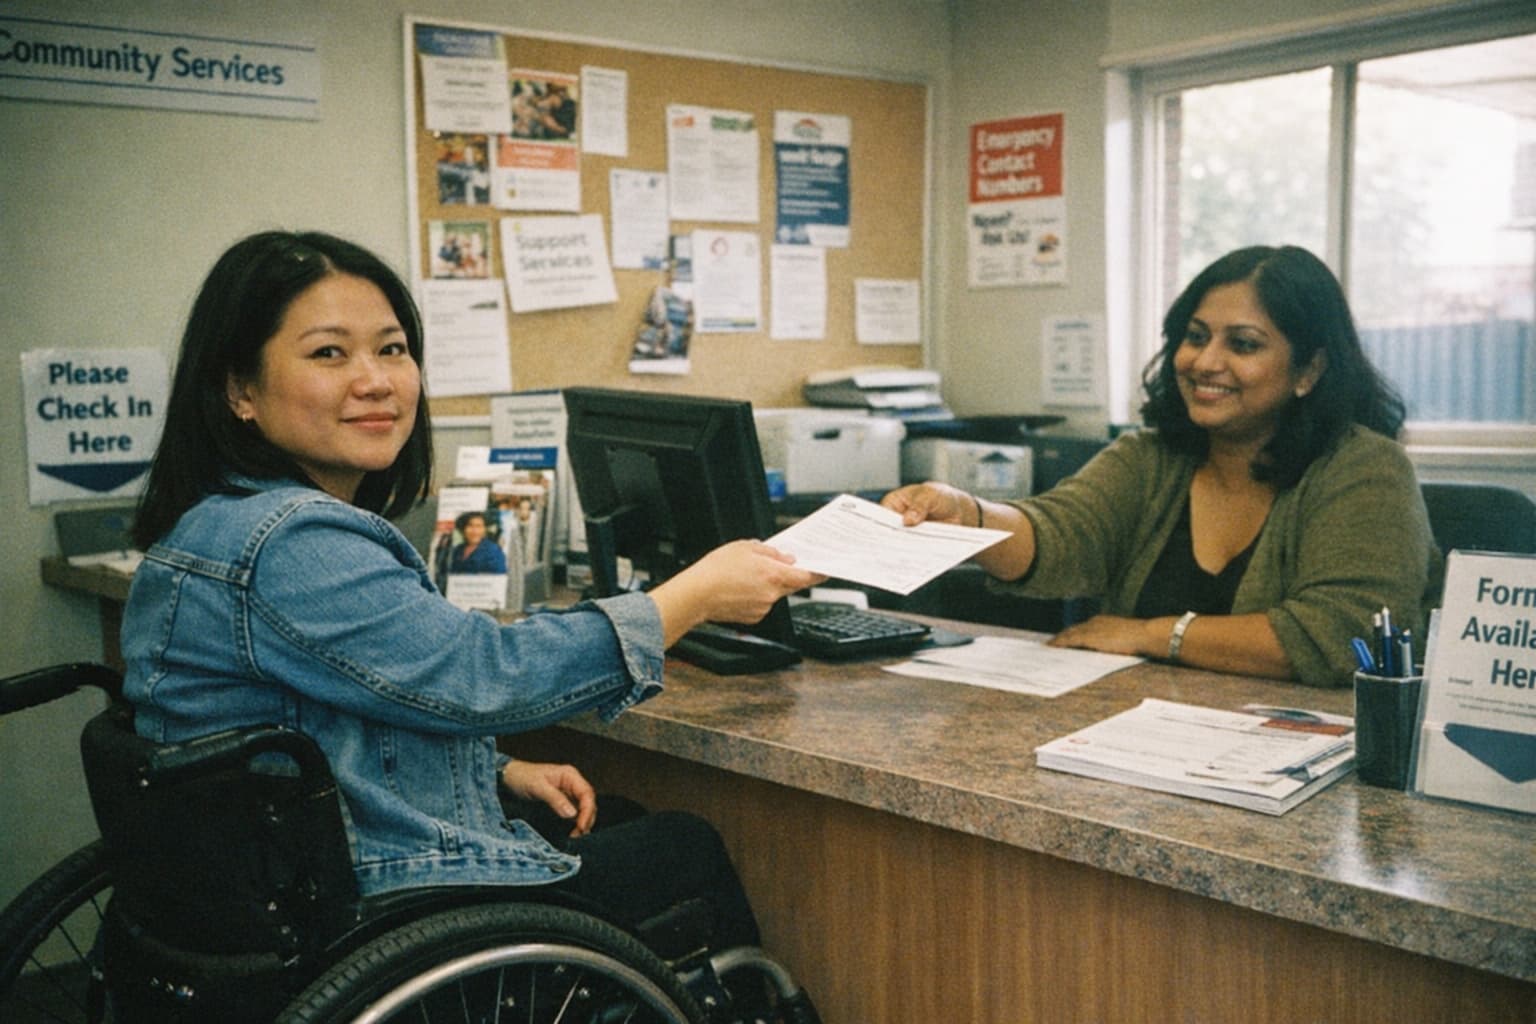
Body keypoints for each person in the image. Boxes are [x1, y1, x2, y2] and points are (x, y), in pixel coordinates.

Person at [123, 230, 822, 958]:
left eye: (392, 349)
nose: (375, 381)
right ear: (239, 389)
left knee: (612, 817)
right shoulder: (292, 544)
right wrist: (693, 597)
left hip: (284, 876)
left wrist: (495, 772)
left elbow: (320, 723)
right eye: (329, 353)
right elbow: (485, 676)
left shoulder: (217, 521)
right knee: (683, 849)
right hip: (363, 901)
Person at [883, 245, 1442, 688]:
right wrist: (968, 516)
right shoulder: (1150, 458)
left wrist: (1152, 635)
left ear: (1309, 369)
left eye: (1243, 344)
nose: (1205, 362)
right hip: (1134, 740)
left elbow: (1341, 635)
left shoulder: (1364, 468)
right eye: (1195, 337)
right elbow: (1060, 533)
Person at [448, 510, 507, 574]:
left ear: (485, 529)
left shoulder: (493, 550)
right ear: (463, 529)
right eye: (470, 525)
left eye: (479, 526)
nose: (475, 531)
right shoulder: (457, 549)